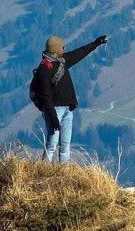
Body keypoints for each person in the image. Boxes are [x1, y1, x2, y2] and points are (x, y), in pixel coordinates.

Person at [32, 33, 107, 163]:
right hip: (54, 110)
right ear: (55, 50)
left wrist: (96, 43)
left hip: (67, 110)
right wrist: (53, 118)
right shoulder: (44, 69)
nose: (64, 49)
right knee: (52, 145)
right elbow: (46, 97)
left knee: (65, 146)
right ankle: (41, 171)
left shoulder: (62, 61)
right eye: (62, 47)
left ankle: (64, 175)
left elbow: (79, 53)